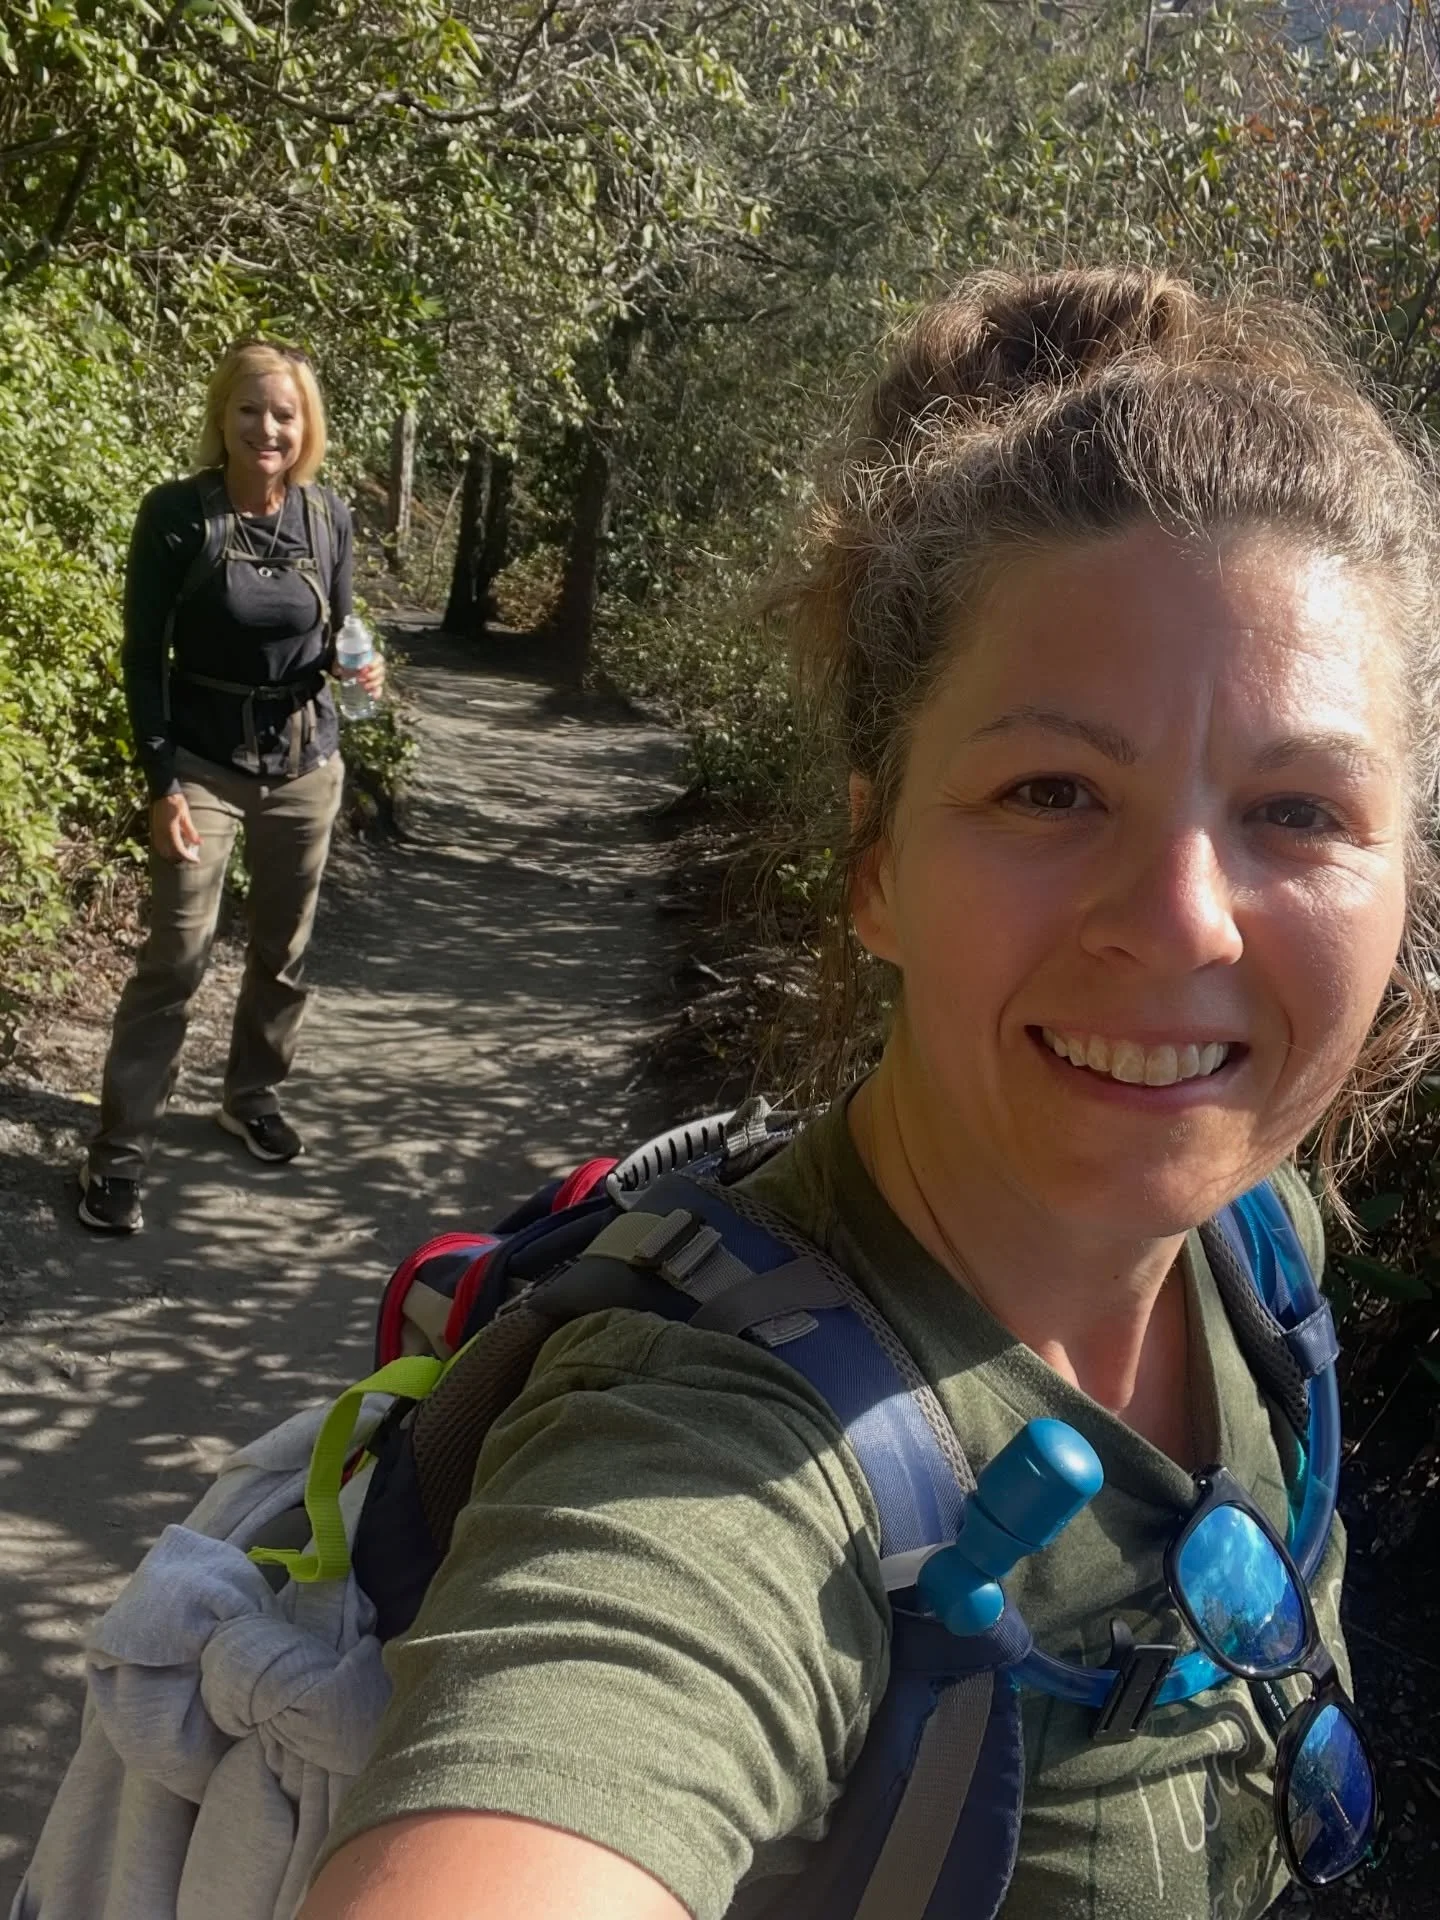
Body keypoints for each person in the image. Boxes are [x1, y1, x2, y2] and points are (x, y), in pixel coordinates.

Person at [301, 268, 1437, 1919]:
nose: (1184, 917)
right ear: (875, 859)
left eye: (1300, 811)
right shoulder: (707, 1447)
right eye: (1052, 790)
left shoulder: (1260, 1254)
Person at [78, 339, 384, 1234]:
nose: (267, 427)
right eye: (250, 409)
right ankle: (120, 1153)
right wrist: (161, 780)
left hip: (304, 763)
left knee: (283, 949)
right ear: (222, 416)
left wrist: (363, 678)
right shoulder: (177, 515)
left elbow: (337, 637)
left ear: (306, 426)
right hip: (202, 767)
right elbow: (144, 660)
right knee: (177, 954)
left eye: (284, 413)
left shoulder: (326, 517)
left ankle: (249, 1095)